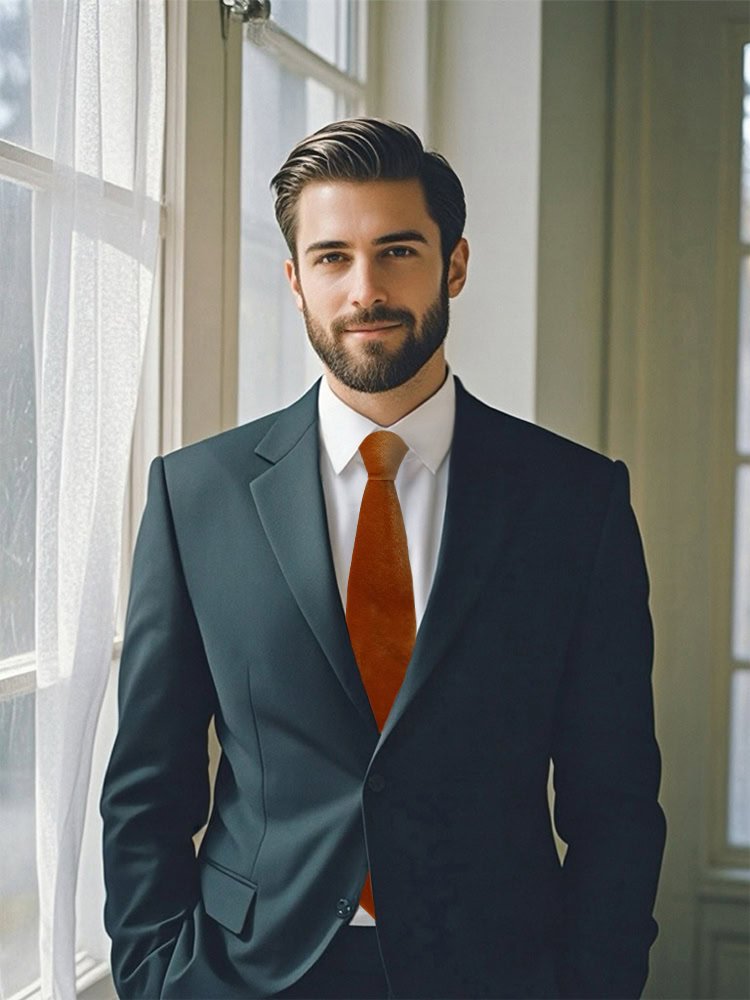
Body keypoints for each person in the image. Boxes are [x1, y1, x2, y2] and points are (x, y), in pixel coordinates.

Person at [100, 118, 666, 1000]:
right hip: (244, 974)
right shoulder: (194, 496)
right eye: (331, 257)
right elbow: (146, 789)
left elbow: (618, 801)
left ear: (456, 264)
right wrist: (153, 977)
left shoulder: (576, 503)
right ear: (294, 281)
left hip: (500, 972)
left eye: (398, 250)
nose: (365, 289)